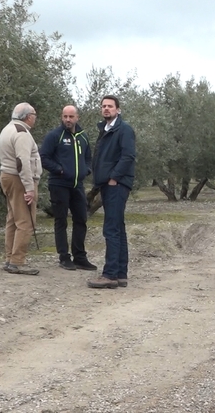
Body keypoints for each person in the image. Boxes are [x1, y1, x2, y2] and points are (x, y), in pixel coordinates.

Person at [87, 95, 136, 289]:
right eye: (104, 106)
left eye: (110, 106)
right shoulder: (105, 129)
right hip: (107, 183)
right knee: (117, 227)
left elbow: (128, 155)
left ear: (118, 109)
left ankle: (110, 274)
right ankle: (121, 274)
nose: (106, 109)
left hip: (116, 184)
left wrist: (114, 177)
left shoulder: (123, 130)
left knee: (111, 229)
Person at [40, 105, 97, 271]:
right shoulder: (54, 136)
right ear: (61, 117)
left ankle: (80, 257)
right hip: (59, 184)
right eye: (65, 116)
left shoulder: (82, 136)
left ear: (77, 117)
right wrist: (60, 170)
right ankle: (64, 257)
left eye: (71, 116)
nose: (67, 120)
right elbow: (44, 157)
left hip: (77, 185)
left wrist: (86, 170)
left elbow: (88, 158)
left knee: (81, 219)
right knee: (61, 220)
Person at [0, 102, 42, 275]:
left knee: (12, 218)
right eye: (34, 115)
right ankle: (17, 261)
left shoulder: (7, 129)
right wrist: (29, 188)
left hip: (7, 176)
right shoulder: (22, 133)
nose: (35, 118)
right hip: (19, 180)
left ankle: (10, 258)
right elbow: (22, 162)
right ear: (28, 116)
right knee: (26, 221)